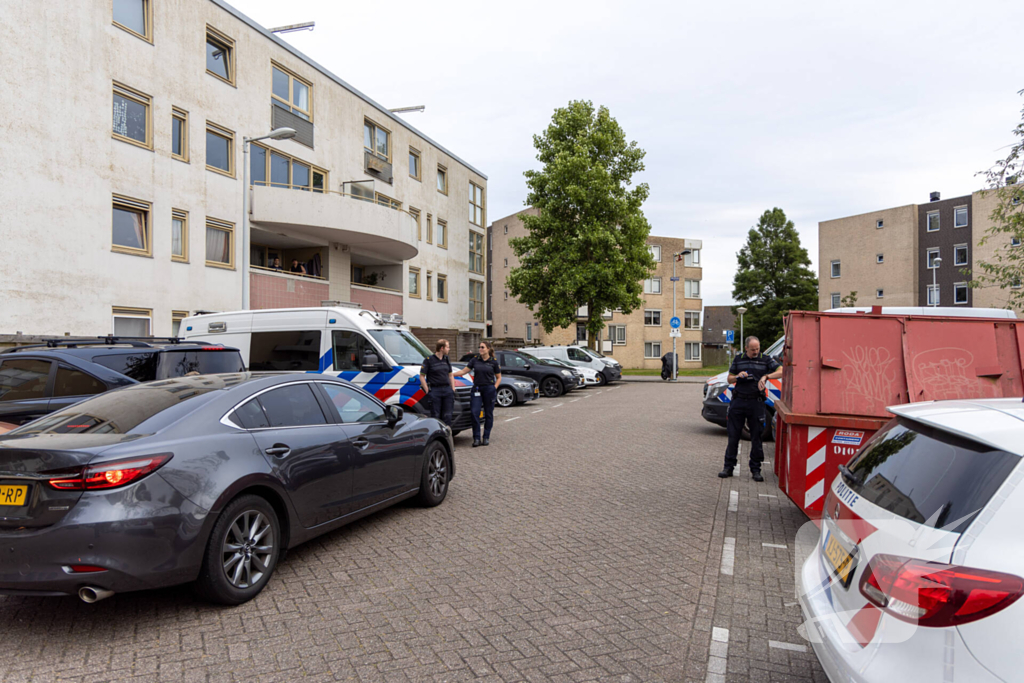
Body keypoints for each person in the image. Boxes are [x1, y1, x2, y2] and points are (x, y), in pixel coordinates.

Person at [719, 335, 782, 482]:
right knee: (733, 436)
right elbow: (729, 378)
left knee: (756, 437)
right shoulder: (738, 359)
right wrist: (738, 376)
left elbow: (781, 371)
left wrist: (766, 377)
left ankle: (756, 470)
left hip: (756, 402)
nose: (755, 351)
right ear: (746, 348)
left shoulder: (765, 359)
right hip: (739, 402)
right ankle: (728, 467)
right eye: (753, 349)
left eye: (757, 349)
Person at [454, 341, 501, 447]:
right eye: (479, 347)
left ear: (488, 349)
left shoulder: (493, 362)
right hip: (477, 389)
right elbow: (463, 371)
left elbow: (499, 377)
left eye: (482, 347)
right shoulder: (475, 359)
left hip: (489, 389)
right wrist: (450, 375)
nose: (480, 349)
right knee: (474, 413)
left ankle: (486, 437)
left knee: (488, 414)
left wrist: (494, 388)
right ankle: (476, 438)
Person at [419, 339, 455, 427]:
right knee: (436, 416)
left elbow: (450, 375)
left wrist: (453, 389)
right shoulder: (429, 360)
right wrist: (427, 391)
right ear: (442, 348)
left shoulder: (446, 359)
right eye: (447, 347)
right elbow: (422, 376)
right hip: (435, 390)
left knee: (448, 416)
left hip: (447, 390)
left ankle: (446, 434)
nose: (449, 349)